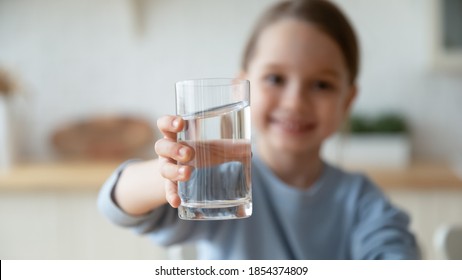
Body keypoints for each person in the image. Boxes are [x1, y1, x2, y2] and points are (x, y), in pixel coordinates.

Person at [98, 0, 420, 259]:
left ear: (347, 101)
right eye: (275, 79)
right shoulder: (222, 181)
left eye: (321, 84)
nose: (295, 102)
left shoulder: (360, 200)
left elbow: (396, 253)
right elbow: (115, 205)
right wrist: (166, 173)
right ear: (241, 87)